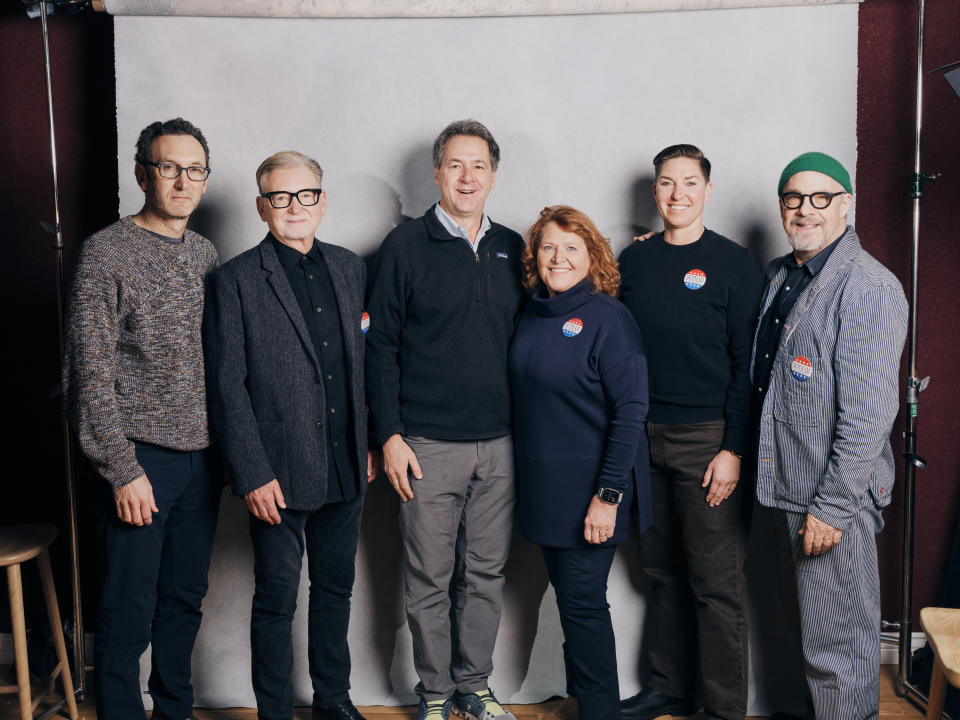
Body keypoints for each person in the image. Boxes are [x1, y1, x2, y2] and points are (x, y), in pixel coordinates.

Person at [204, 151, 376, 720]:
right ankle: (275, 711)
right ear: (262, 207)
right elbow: (228, 386)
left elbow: (366, 366)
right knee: (276, 600)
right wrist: (251, 472)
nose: (294, 207)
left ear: (322, 202)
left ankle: (334, 700)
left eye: (305, 196)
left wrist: (371, 442)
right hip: (277, 471)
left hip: (347, 464)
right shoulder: (235, 280)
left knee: (335, 593)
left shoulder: (351, 268)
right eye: (280, 197)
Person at [365, 119, 524, 720]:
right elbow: (379, 348)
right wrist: (389, 436)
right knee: (429, 577)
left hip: (502, 443)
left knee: (485, 574)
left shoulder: (515, 246)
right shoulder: (403, 247)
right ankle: (435, 694)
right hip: (427, 444)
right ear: (436, 172)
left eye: (478, 165)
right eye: (455, 165)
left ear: (492, 174)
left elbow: (562, 299)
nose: (466, 176)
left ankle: (474, 687)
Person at [63, 117, 220, 720]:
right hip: (139, 462)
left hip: (201, 461)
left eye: (194, 169)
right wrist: (121, 468)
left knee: (183, 602)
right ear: (141, 174)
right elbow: (89, 370)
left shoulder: (206, 253)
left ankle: (175, 712)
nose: (182, 180)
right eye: (168, 167)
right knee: (127, 609)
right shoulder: (106, 252)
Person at [751, 152, 907, 720]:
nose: (805, 209)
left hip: (827, 502)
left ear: (845, 204)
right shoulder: (780, 274)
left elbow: (870, 415)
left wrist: (834, 507)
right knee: (799, 647)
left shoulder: (864, 287)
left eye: (821, 198)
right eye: (794, 198)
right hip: (782, 489)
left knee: (838, 650)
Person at [618, 144, 763, 720]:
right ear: (654, 192)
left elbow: (747, 367)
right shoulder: (634, 262)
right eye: (666, 184)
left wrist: (732, 449)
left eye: (688, 182)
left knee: (715, 584)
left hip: (708, 441)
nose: (677, 194)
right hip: (642, 437)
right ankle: (668, 685)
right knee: (662, 573)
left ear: (707, 190)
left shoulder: (734, 266)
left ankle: (723, 709)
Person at [509, 206, 651, 720]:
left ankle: (600, 713)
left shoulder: (608, 318)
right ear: (535, 257)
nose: (559, 257)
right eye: (548, 247)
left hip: (593, 491)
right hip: (545, 488)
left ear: (593, 257)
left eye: (572, 247)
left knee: (584, 607)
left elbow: (631, 410)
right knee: (573, 607)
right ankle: (583, 703)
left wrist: (608, 496)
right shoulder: (530, 311)